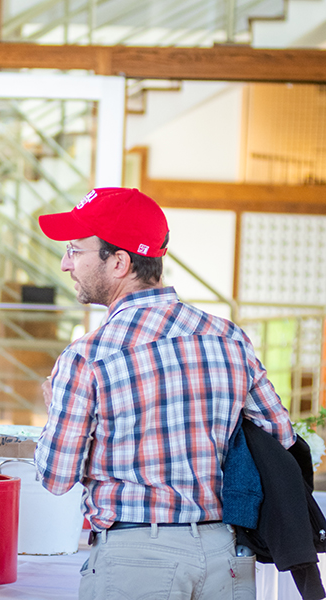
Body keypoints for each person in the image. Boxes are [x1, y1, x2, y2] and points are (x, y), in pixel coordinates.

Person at [33, 187, 295, 599]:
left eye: (75, 250)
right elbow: (281, 435)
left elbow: (55, 477)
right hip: (226, 552)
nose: (66, 263)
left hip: (137, 559)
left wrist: (58, 414)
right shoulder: (228, 337)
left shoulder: (88, 356)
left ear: (119, 262)